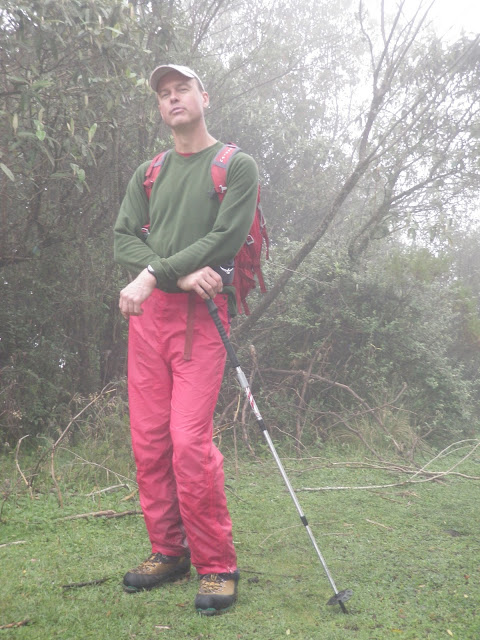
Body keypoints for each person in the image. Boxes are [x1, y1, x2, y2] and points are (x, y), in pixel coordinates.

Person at [113, 64, 258, 615]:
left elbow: (227, 237)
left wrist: (154, 273)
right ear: (159, 107)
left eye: (182, 90)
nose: (173, 99)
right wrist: (172, 274)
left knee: (189, 443)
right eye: (164, 94)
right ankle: (169, 552)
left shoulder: (235, 166)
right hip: (151, 319)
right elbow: (123, 238)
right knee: (150, 442)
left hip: (201, 319)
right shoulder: (149, 172)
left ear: (204, 97)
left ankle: (217, 565)